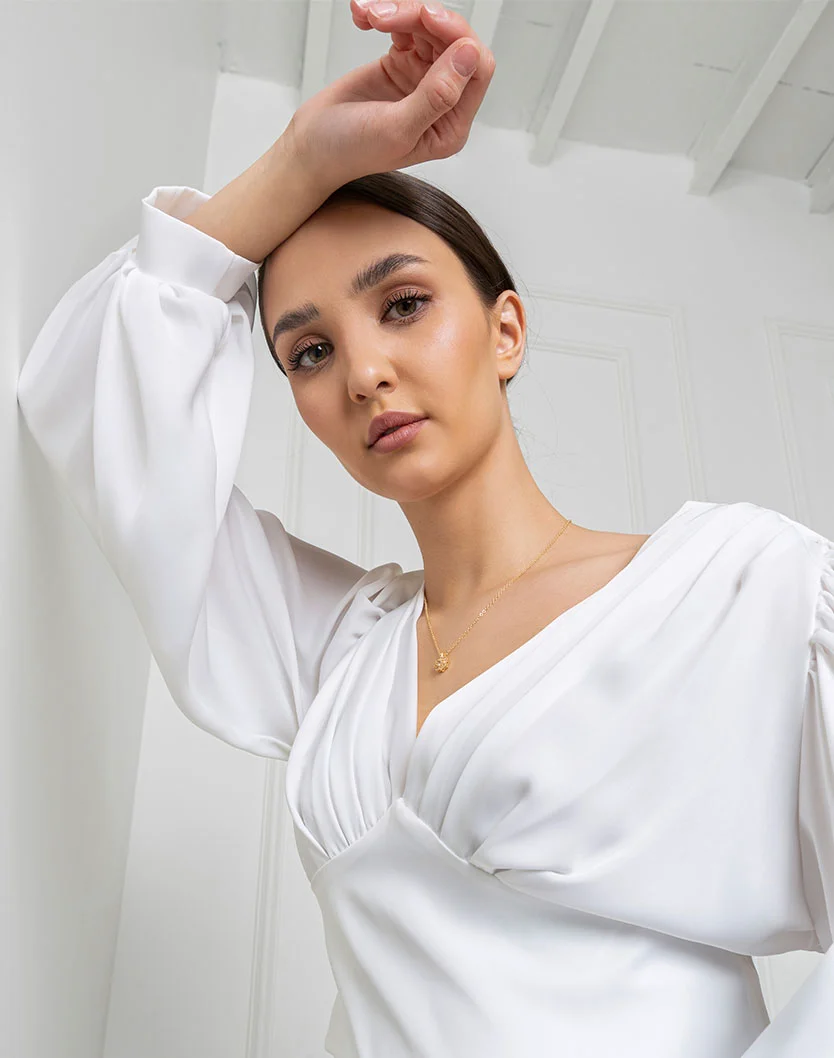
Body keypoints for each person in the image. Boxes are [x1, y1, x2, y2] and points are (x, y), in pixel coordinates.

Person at [15, 1, 834, 1055]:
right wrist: (303, 159)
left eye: (401, 303)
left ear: (506, 330)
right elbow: (96, 410)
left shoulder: (739, 593)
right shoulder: (334, 653)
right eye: (308, 351)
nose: (362, 371)